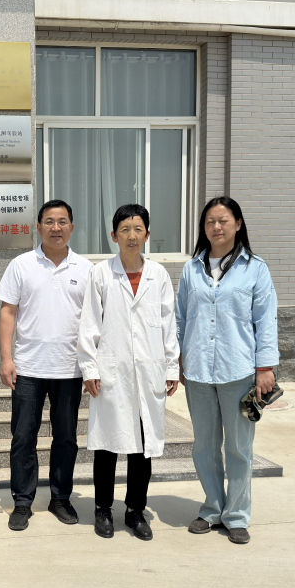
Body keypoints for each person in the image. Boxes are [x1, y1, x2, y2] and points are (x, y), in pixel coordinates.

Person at [176, 196, 278, 545]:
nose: (216, 227)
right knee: (204, 445)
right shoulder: (192, 269)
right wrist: (177, 360)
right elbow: (180, 319)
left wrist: (265, 367)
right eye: (210, 221)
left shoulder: (255, 269)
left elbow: (266, 321)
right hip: (198, 371)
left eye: (223, 220)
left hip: (239, 371)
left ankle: (236, 515)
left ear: (237, 224)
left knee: (239, 447)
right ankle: (212, 509)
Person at [77, 204, 180, 541]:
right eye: (125, 230)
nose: (131, 236)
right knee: (107, 445)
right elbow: (89, 323)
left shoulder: (158, 275)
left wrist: (171, 366)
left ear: (147, 234)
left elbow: (168, 324)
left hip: (148, 372)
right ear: (114, 236)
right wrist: (89, 367)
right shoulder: (101, 273)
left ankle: (135, 510)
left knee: (142, 446)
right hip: (111, 372)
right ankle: (102, 509)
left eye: (138, 229)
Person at [0, 199, 93, 531]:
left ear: (72, 227)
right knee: (23, 437)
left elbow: (93, 321)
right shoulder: (21, 265)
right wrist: (6, 358)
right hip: (27, 369)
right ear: (38, 227)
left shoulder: (86, 269)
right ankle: (22, 502)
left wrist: (91, 367)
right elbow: (8, 313)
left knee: (66, 438)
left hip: (69, 369)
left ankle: (60, 498)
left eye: (62, 221)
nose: (55, 227)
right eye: (49, 221)